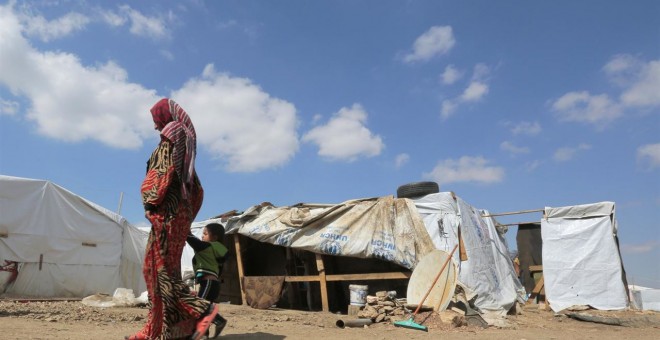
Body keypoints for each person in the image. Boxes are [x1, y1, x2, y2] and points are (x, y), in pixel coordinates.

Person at [127, 98, 221, 340]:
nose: (156, 126)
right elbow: (197, 192)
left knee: (158, 272)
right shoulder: (187, 151)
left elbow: (162, 172)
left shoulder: (173, 133)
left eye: (156, 119)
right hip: (176, 216)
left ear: (164, 116)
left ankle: (203, 310)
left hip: (167, 215)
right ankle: (162, 330)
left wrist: (151, 201)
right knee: (160, 271)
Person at [186, 222, 228, 337]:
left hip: (208, 283)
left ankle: (219, 321)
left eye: (205, 234)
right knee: (204, 311)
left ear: (214, 237)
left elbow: (194, 242)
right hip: (212, 284)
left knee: (200, 306)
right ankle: (204, 335)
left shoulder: (208, 247)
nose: (202, 236)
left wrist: (185, 230)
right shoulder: (216, 249)